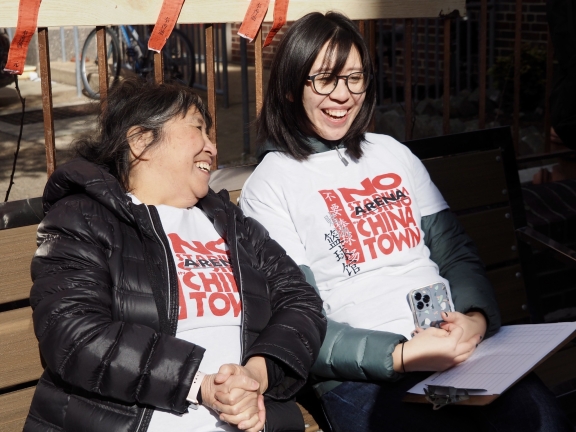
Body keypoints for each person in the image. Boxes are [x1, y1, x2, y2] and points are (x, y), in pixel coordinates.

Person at [239, 11, 572, 432]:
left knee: (543, 420)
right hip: (366, 374)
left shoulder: (390, 152)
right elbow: (295, 318)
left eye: (355, 78)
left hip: (457, 350)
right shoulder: (272, 182)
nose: (343, 95)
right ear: (290, 87)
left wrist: (475, 318)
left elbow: (454, 251)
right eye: (325, 78)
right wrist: (400, 356)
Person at [23, 77, 326, 432]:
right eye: (198, 129)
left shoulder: (230, 223)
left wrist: (256, 374)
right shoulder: (83, 219)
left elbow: (301, 300)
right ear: (140, 142)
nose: (212, 149)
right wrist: (199, 384)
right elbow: (73, 332)